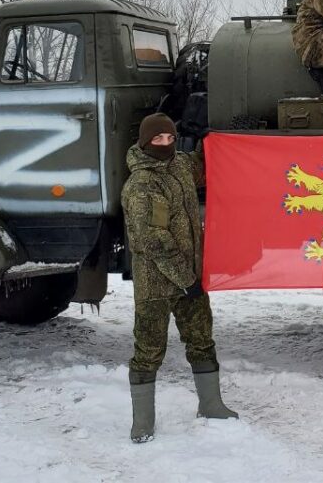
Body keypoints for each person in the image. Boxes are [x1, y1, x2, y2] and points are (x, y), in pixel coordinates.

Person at [121, 113, 238, 443]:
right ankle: (142, 422)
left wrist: (213, 137)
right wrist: (186, 279)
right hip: (157, 284)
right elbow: (153, 239)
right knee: (148, 350)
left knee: (202, 340)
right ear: (146, 143)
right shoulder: (142, 185)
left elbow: (204, 164)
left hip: (190, 279)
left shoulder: (179, 167)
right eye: (158, 140)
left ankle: (211, 405)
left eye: (170, 138)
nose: (166, 144)